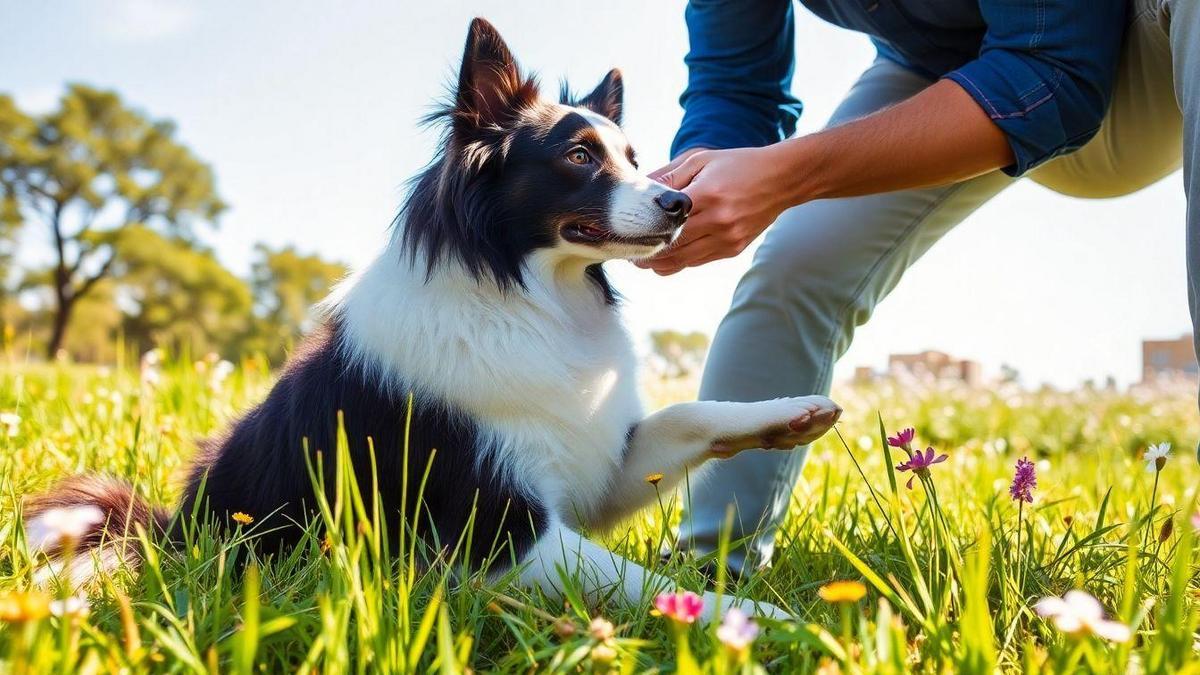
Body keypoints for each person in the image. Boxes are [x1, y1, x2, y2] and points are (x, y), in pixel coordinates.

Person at [643, 0, 1198, 575]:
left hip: (1130, 52)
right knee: (801, 261)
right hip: (952, 65)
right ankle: (710, 566)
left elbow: (1052, 73)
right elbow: (736, 88)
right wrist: (687, 188)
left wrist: (789, 173)